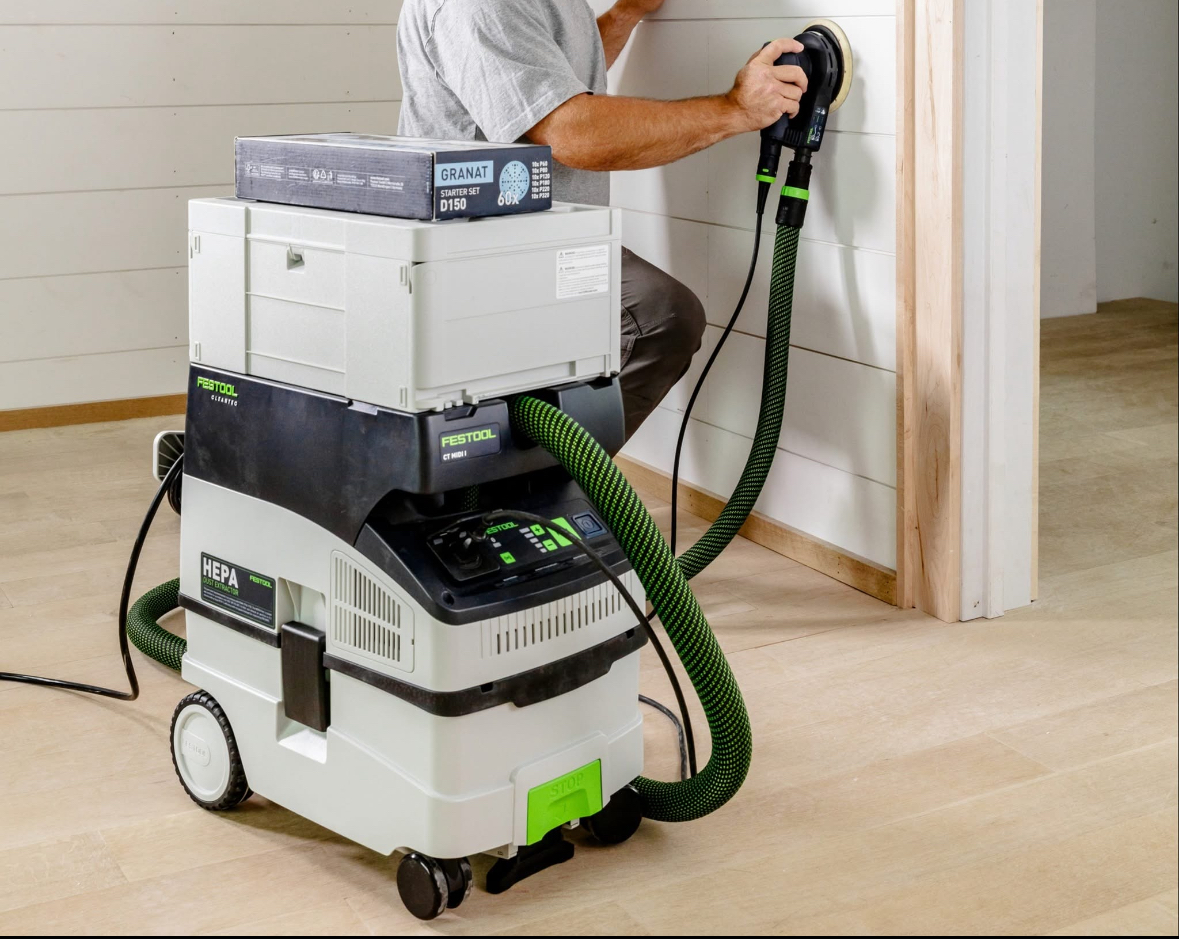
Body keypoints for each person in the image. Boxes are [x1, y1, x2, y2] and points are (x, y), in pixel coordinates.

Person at [398, 0, 808, 438]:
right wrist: (736, 110)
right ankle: (526, 489)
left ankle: (535, 484)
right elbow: (569, 131)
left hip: (536, 237)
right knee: (659, 318)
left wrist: (625, 14)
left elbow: (550, 75)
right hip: (485, 251)